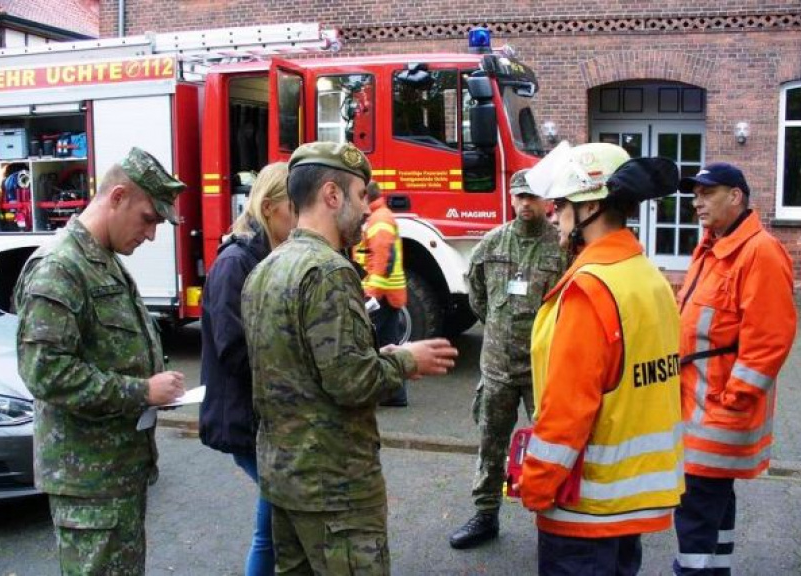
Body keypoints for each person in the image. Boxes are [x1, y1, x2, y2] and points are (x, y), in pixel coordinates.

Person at [241, 141, 459, 575]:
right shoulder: (330, 271)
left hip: (285, 482)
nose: (366, 208)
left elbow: (301, 366)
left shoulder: (266, 268)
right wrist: (406, 361)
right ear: (331, 195)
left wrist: (376, 356)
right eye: (360, 195)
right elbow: (351, 382)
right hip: (336, 491)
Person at [14, 147, 187, 575]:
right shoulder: (60, 267)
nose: (151, 235)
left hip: (114, 475)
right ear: (117, 197)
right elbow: (46, 372)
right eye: (148, 218)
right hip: (88, 482)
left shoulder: (102, 261)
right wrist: (142, 391)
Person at [520, 142, 685, 575]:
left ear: (590, 206)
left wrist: (536, 484)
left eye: (561, 205)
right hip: (628, 502)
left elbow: (567, 411)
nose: (553, 215)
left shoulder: (588, 291)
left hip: (583, 506)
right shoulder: (649, 278)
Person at [673, 163, 797, 575]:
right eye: (695, 195)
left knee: (696, 507)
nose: (697, 203)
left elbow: (770, 338)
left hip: (717, 410)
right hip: (701, 405)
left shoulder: (760, 252)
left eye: (707, 193)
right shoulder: (714, 246)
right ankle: (715, 569)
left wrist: (735, 398)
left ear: (736, 196)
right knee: (715, 502)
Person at [449, 169, 563, 549]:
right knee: (490, 444)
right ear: (512, 199)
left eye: (533, 196)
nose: (526, 203)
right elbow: (476, 293)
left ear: (546, 201)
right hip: (497, 366)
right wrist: (497, 327)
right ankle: (485, 515)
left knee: (550, 447)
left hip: (541, 369)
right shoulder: (492, 243)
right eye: (520, 196)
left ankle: (555, 520)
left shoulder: (561, 247)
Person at [199, 162, 293, 576]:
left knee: (273, 520)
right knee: (271, 523)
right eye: (294, 207)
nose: (300, 217)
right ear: (269, 207)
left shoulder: (267, 256)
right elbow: (233, 348)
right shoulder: (235, 263)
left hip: (259, 416)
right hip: (242, 418)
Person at [352, 181, 409, 407]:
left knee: (373, 345)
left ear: (366, 197)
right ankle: (394, 395)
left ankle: (390, 394)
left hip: (381, 296)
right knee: (388, 344)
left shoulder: (378, 220)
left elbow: (381, 261)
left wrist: (370, 296)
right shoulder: (380, 217)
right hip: (388, 294)